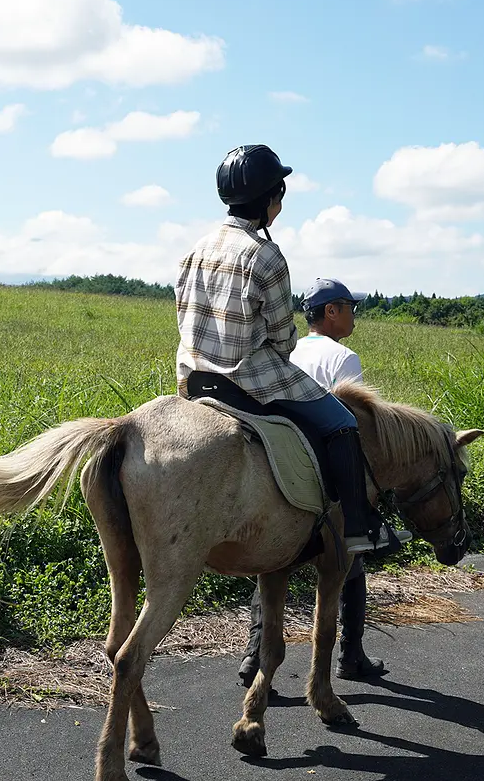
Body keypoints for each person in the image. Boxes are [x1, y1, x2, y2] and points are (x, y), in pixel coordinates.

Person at [175, 144, 409, 572]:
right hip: (250, 382)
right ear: (268, 199)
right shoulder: (265, 254)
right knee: (343, 423)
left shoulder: (194, 249)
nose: (280, 205)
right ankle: (360, 528)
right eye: (279, 196)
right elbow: (283, 340)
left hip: (194, 379)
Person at [236, 278, 391, 686]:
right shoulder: (344, 357)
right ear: (331, 312)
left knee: (272, 561)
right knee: (351, 554)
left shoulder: (288, 350)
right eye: (349, 307)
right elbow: (348, 421)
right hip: (321, 457)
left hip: (281, 453)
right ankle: (351, 654)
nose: (354, 315)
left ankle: (254, 657)